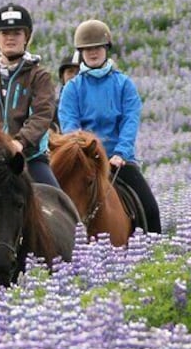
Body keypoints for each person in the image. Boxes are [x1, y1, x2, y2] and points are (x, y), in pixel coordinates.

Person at [58, 19, 161, 234]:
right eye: (87, 49)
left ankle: (154, 253)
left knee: (150, 208)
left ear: (106, 49)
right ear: (81, 52)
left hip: (118, 160)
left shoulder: (124, 84)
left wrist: (122, 153)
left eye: (97, 47)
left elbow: (130, 120)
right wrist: (85, 154)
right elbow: (70, 126)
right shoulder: (72, 88)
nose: (93, 53)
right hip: (86, 161)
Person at [0, 3, 60, 187]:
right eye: (5, 33)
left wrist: (20, 142)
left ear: (27, 37)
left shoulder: (40, 76)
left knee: (59, 201)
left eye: (17, 33)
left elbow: (41, 115)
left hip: (29, 157)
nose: (10, 38)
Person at [54, 51, 80, 131]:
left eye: (78, 72)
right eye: (70, 72)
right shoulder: (54, 107)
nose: (74, 76)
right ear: (62, 77)